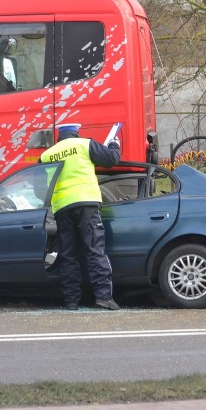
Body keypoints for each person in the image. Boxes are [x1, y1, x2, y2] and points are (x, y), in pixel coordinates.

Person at [39, 123, 121, 310]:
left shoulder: (46, 155)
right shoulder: (85, 145)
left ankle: (71, 301)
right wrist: (114, 144)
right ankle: (103, 297)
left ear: (59, 137)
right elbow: (111, 159)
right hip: (86, 204)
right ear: (76, 132)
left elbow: (38, 189)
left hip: (61, 208)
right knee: (94, 250)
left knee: (68, 255)